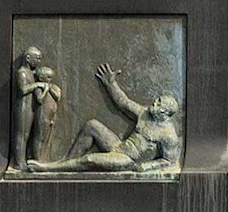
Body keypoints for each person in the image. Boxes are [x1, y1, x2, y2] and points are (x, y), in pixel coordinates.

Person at [28, 63, 181, 174]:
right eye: (157, 100)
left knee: (89, 160)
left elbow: (169, 161)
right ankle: (65, 164)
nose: (154, 103)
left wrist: (147, 166)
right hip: (119, 146)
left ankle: (48, 169)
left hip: (127, 160)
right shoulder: (146, 113)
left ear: (165, 113)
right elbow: (124, 103)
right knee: (92, 125)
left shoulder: (169, 137)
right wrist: (111, 84)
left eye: (159, 103)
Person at [11, 45, 62, 168]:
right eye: (37, 58)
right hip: (23, 106)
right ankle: (19, 163)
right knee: (22, 134)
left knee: (28, 135)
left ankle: (26, 160)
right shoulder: (22, 73)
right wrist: (38, 85)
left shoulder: (32, 73)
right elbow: (23, 89)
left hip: (31, 106)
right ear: (28, 58)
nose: (39, 61)